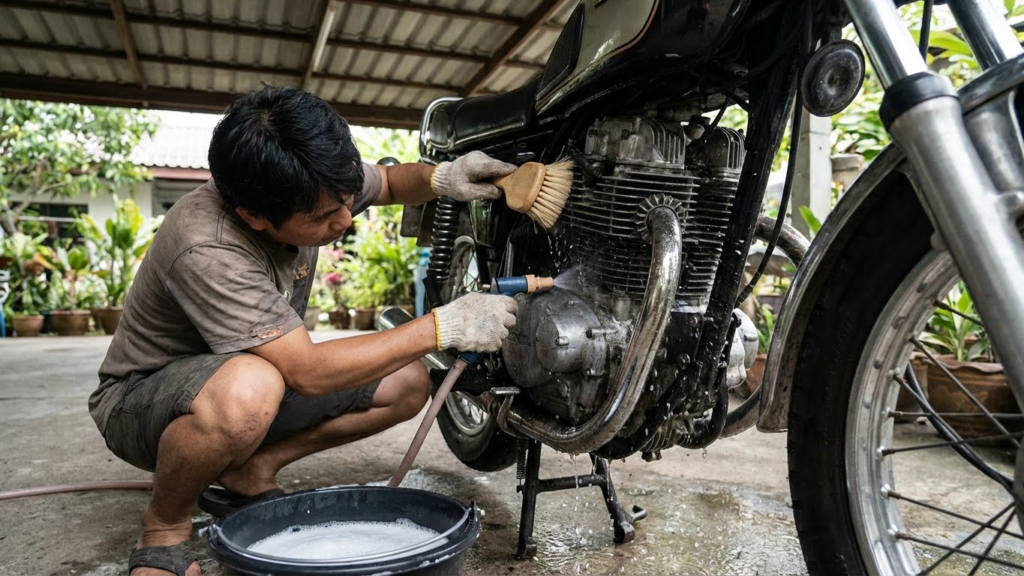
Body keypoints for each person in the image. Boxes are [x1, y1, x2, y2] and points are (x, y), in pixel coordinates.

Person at [87, 86, 520, 576]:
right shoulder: (206, 245)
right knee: (252, 387)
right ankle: (164, 527)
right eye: (322, 217)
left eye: (346, 201)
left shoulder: (314, 178)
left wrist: (443, 177)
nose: (345, 219)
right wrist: (448, 323)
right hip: (145, 401)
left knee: (407, 381)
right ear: (253, 215)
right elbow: (309, 372)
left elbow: (393, 183)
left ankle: (252, 468)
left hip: (252, 378)